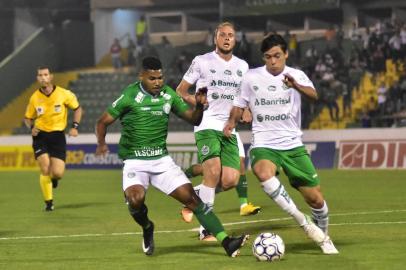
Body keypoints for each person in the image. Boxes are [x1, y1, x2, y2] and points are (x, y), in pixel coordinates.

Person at [95, 56, 248, 257]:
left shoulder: (168, 95)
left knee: (193, 200)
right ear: (141, 76)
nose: (158, 82)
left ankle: (227, 242)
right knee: (135, 199)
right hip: (135, 161)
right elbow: (102, 122)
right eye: (152, 78)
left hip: (162, 161)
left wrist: (200, 106)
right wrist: (102, 144)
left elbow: (193, 119)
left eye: (160, 77)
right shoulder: (129, 96)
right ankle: (147, 227)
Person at [223, 34, 339, 254]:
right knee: (262, 171)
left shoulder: (296, 75)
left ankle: (323, 237)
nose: (273, 61)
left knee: (317, 200)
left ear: (286, 54)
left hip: (293, 145)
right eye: (268, 57)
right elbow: (239, 104)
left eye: (277, 56)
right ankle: (302, 221)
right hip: (264, 143)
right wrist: (231, 122)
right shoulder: (251, 77)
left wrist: (296, 86)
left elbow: (314, 95)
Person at [176, 22, 260, 241]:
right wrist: (198, 103)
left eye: (230, 35)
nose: (226, 38)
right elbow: (181, 90)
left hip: (228, 127)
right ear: (215, 38)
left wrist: (247, 109)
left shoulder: (242, 66)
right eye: (222, 35)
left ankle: (191, 198)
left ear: (235, 40)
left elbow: (244, 96)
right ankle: (206, 231)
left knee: (231, 179)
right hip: (206, 123)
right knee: (212, 172)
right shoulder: (202, 61)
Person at [24, 67, 82, 211]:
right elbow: (27, 117)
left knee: (57, 173)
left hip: (57, 136)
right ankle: (49, 203)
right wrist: (31, 127)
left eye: (45, 75)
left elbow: (78, 108)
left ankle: (54, 179)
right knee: (45, 167)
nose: (43, 77)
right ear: (37, 78)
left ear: (51, 77)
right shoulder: (34, 97)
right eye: (40, 75)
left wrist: (74, 127)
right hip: (40, 136)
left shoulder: (64, 94)